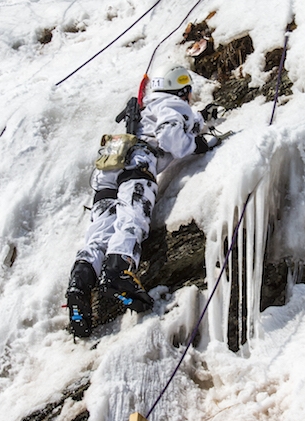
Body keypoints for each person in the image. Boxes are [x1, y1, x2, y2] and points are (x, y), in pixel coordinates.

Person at [66, 66, 221, 338]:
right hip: (137, 168)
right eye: (187, 93)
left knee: (100, 234)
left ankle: (81, 283)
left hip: (107, 175)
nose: (188, 100)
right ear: (181, 90)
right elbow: (171, 136)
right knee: (132, 219)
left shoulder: (144, 109)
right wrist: (200, 145)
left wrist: (201, 120)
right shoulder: (172, 103)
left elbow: (182, 122)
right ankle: (119, 270)